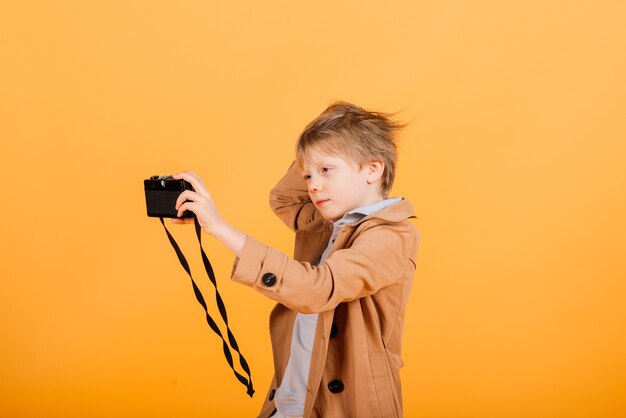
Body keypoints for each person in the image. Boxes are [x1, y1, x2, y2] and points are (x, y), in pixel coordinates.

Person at [171, 101, 420, 418]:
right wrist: (318, 146)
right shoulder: (323, 222)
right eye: (307, 174)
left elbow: (320, 288)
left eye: (326, 170)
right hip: (293, 403)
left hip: (350, 407)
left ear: (373, 169)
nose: (313, 185)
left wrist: (219, 227)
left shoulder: (392, 235)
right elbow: (284, 197)